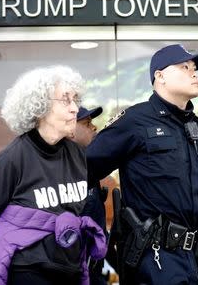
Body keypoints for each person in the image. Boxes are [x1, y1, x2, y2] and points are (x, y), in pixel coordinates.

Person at [85, 44, 198, 285]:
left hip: (190, 257)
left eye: (194, 68)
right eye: (184, 67)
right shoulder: (135, 120)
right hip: (152, 255)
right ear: (160, 76)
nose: (193, 73)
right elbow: (85, 169)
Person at [0, 65, 107, 285]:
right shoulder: (14, 157)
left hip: (70, 271)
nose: (74, 108)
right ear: (40, 107)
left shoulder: (79, 156)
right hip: (27, 272)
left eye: (75, 100)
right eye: (65, 100)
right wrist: (7, 255)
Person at [70, 106, 110, 285]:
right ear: (69, 129)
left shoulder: (88, 168)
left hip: (94, 272)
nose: (94, 128)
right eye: (87, 123)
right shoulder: (63, 171)